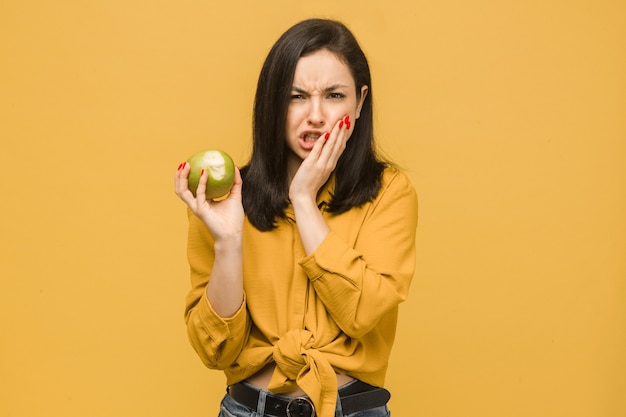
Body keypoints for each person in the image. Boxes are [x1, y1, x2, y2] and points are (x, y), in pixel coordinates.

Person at [174, 18, 418, 417]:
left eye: (335, 95)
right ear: (272, 103)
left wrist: (303, 199)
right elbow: (215, 350)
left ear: (359, 102)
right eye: (296, 96)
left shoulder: (389, 191)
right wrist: (229, 241)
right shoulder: (226, 199)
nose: (317, 115)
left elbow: (361, 313)